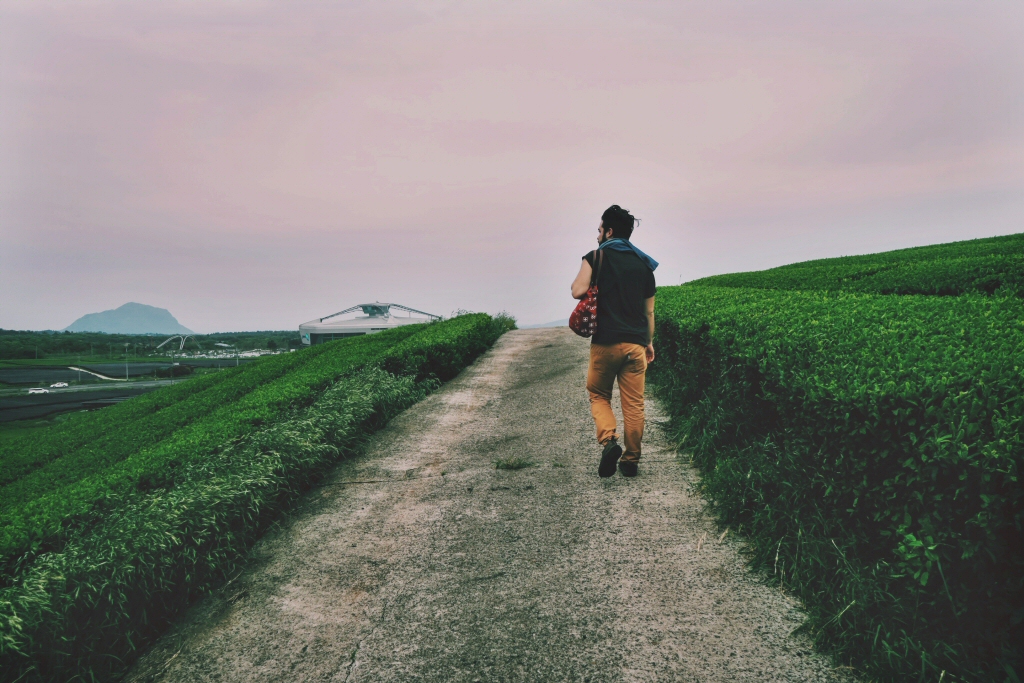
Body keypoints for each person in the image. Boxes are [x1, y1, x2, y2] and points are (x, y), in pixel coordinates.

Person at [570, 205, 658, 478]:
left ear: (609, 231)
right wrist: (648, 342)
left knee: (599, 395)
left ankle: (609, 441)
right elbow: (649, 312)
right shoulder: (644, 265)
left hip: (605, 342)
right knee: (634, 404)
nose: (597, 235)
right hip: (635, 344)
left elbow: (577, 291)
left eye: (599, 230)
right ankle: (631, 461)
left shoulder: (596, 256)